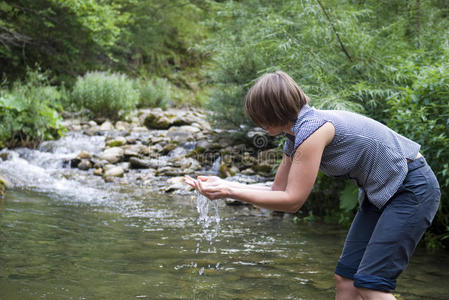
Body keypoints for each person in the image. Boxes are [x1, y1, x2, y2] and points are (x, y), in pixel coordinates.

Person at [184, 70, 441, 300]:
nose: (256, 122)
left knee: (371, 285)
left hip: (411, 188)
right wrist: (226, 183)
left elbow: (292, 201)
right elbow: (277, 191)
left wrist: (229, 191)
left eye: (258, 115)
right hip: (381, 193)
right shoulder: (294, 136)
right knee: (346, 279)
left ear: (272, 111)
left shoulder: (313, 131)